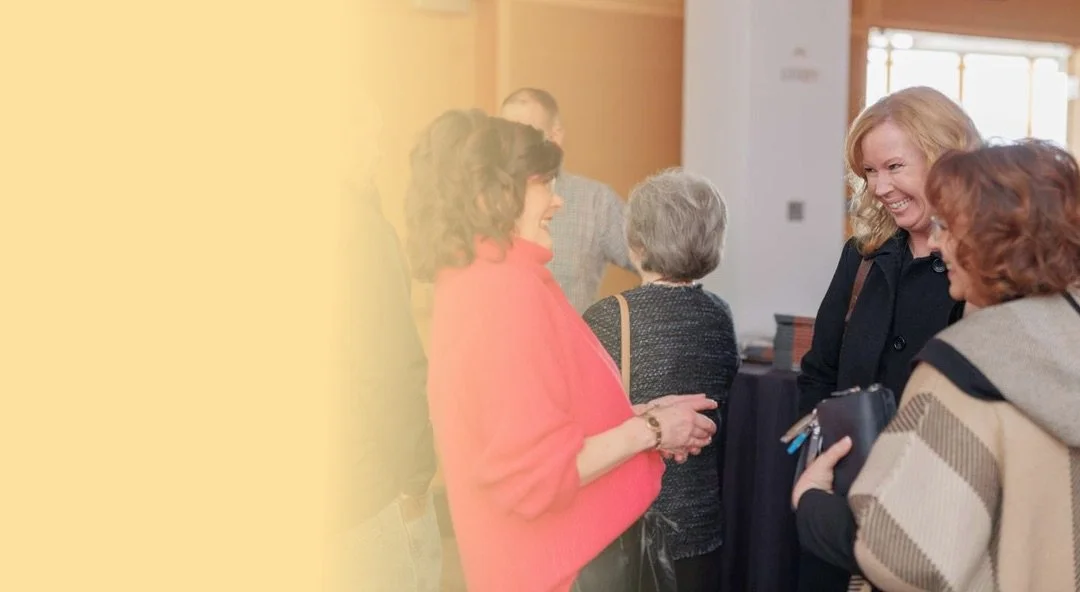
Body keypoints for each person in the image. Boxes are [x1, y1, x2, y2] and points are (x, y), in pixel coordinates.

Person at [404, 108, 719, 592]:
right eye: (544, 184)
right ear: (494, 197)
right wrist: (654, 428)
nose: (557, 201)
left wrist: (643, 417)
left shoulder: (484, 282)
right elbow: (538, 477)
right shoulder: (502, 292)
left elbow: (529, 430)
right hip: (560, 571)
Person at [798, 140, 1080, 591]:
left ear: (991, 242)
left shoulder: (963, 371)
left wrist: (814, 504)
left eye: (948, 228)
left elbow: (909, 555)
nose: (938, 242)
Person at [792, 86, 982, 592]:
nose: (880, 187)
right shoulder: (862, 256)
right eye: (870, 172)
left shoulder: (984, 271)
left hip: (936, 531)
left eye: (894, 167)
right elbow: (818, 374)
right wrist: (828, 467)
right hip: (841, 519)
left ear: (946, 160)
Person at [583, 169, 740, 592]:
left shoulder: (606, 317)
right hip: (700, 523)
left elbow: (582, 428)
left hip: (628, 529)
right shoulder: (719, 316)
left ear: (637, 243)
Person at [336, 93, 442, 591]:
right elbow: (392, 367)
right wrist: (417, 475)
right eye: (368, 137)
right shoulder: (360, 230)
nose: (377, 151)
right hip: (362, 493)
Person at [500, 87, 637, 313]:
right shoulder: (481, 202)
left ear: (555, 136)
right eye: (505, 134)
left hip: (570, 344)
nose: (514, 146)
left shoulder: (596, 202)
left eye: (527, 134)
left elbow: (654, 261)